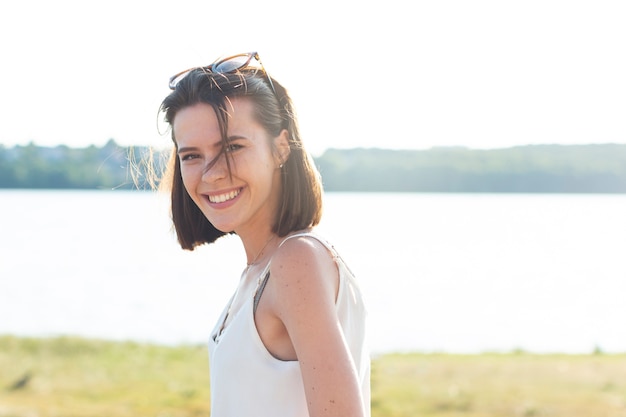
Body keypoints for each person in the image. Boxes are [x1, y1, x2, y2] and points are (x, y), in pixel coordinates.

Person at [158, 52, 370, 417]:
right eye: (191, 155)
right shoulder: (261, 270)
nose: (211, 174)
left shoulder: (296, 260)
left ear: (281, 147)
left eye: (232, 147)